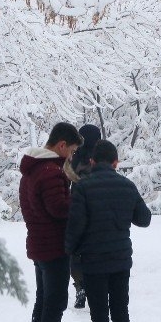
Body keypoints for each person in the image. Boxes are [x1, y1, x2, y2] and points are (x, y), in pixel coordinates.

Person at [65, 139, 152, 322]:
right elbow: (144, 219)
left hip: (93, 261)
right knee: (120, 311)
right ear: (116, 162)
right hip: (121, 260)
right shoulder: (127, 186)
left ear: (92, 161)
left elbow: (76, 226)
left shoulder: (83, 188)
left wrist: (69, 250)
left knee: (100, 314)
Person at [19, 122, 83, 322]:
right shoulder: (50, 171)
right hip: (53, 245)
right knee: (54, 302)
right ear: (62, 145)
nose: (72, 156)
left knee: (43, 299)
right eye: (73, 150)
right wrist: (77, 203)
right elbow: (59, 209)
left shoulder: (32, 169)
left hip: (38, 242)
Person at [65, 124, 102, 309]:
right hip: (97, 208)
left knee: (76, 248)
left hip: (77, 206)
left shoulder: (74, 159)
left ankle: (80, 285)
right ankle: (96, 284)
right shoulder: (100, 158)